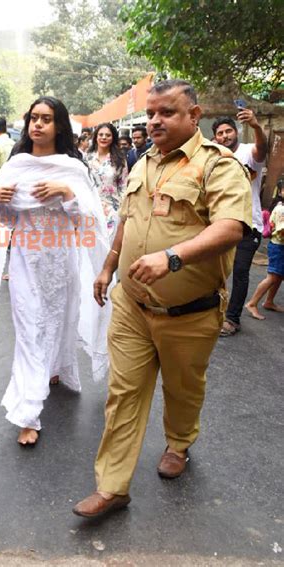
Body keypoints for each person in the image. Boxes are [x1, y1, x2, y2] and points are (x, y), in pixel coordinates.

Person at [73, 79, 252, 519]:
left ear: (193, 116)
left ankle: (179, 441)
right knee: (123, 393)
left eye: (166, 112)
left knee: (182, 389)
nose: (154, 121)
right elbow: (127, 219)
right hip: (133, 306)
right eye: (151, 113)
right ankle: (113, 487)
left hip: (189, 313)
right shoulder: (141, 163)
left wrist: (171, 258)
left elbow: (231, 227)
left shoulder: (218, 165)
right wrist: (108, 265)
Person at [0, 96, 109, 447]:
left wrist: (67, 194)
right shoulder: (16, 166)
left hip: (61, 263)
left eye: (46, 119)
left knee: (60, 321)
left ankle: (54, 368)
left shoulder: (72, 170)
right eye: (34, 118)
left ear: (59, 125)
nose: (38, 125)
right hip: (25, 263)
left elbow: (87, 224)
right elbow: (4, 224)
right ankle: (27, 413)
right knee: (29, 332)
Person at [212, 112, 267, 336]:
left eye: (228, 131)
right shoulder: (215, 156)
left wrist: (256, 126)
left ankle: (232, 319)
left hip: (249, 225)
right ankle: (211, 312)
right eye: (220, 133)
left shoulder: (248, 152)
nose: (225, 136)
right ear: (215, 137)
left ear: (236, 132)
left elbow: (262, 150)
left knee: (240, 271)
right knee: (215, 270)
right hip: (221, 222)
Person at [245, 187, 284, 319]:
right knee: (273, 276)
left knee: (279, 276)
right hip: (278, 247)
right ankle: (252, 303)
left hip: (280, 246)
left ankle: (269, 302)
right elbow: (282, 231)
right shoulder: (281, 209)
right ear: (281, 192)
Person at [86, 122, 127, 239]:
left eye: (108, 135)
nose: (104, 138)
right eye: (101, 135)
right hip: (90, 208)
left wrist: (122, 211)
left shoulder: (119, 159)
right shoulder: (87, 158)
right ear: (96, 137)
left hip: (112, 210)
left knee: (109, 244)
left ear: (113, 137)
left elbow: (123, 185)